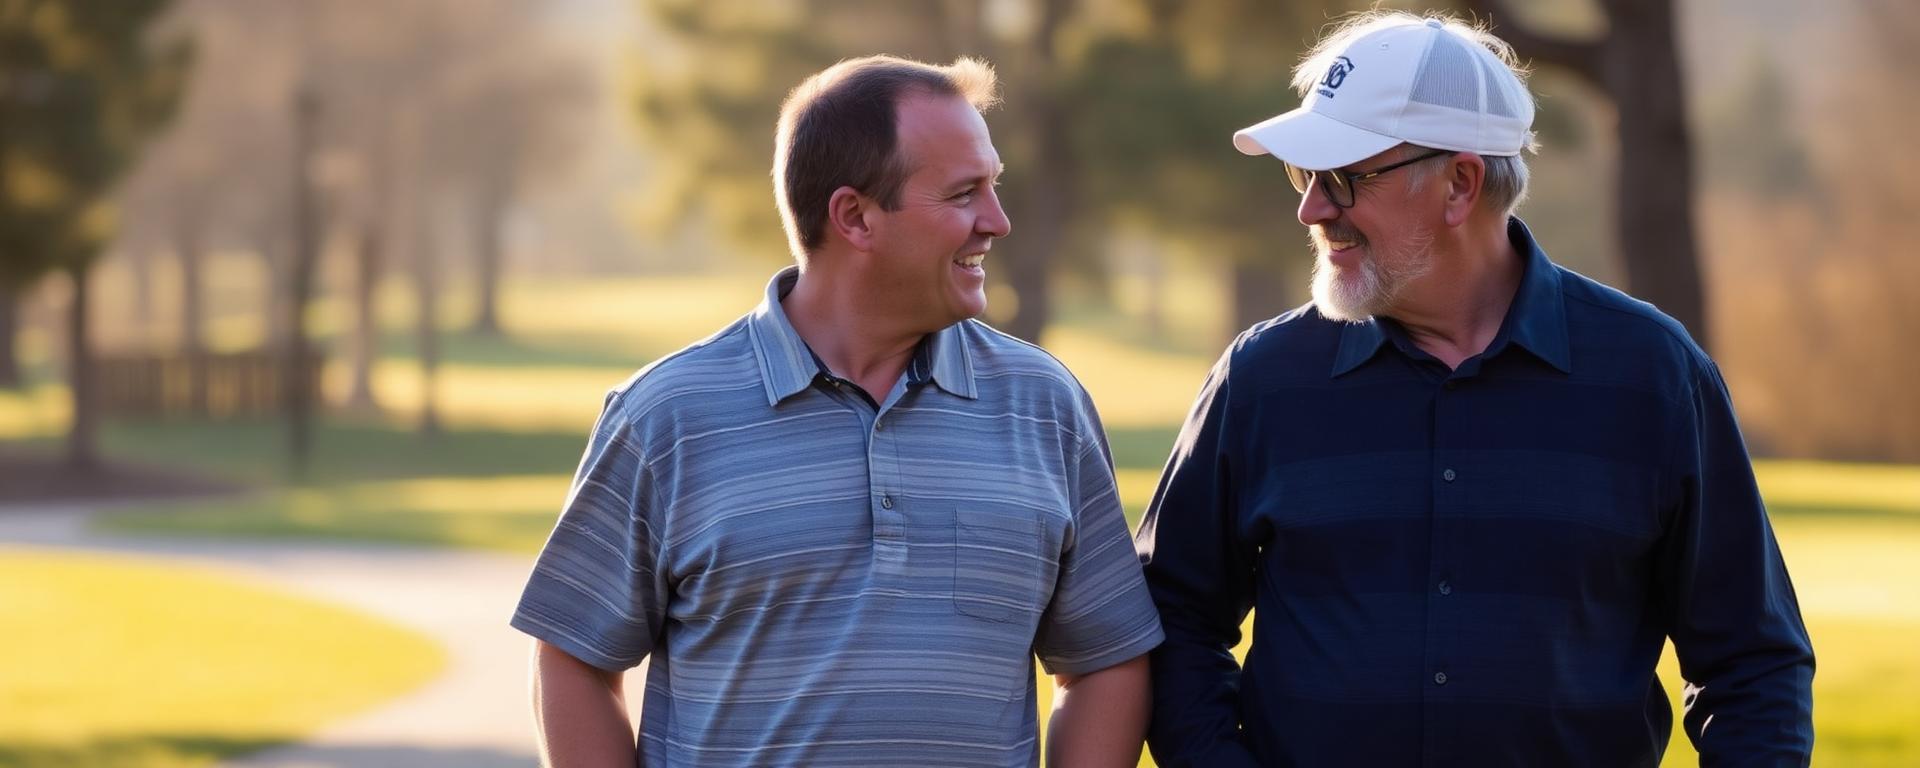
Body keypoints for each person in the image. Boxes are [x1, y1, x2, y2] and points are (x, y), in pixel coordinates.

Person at [1136, 12, 1814, 767]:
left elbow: (1753, 666)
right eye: (1303, 176)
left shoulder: (1654, 375)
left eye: (1342, 178)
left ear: (1460, 183)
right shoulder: (1262, 378)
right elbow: (1171, 619)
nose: (1312, 208)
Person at [512, 55, 1162, 767]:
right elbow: (574, 661)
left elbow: (1104, 659)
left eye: (994, 187)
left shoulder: (1046, 408)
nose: (996, 222)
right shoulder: (665, 418)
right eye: (964, 193)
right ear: (855, 216)